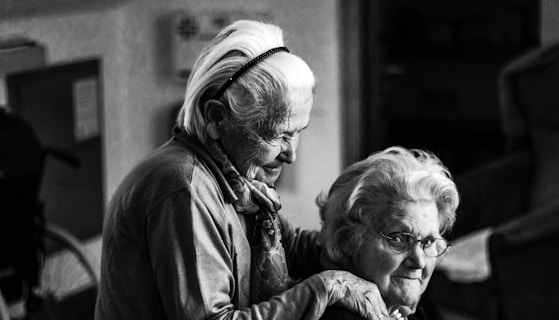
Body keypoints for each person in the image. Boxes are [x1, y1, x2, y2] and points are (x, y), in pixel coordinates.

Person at [95, 20, 395, 320]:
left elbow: (290, 246)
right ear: (216, 118)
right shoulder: (184, 189)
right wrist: (326, 287)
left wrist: (381, 244)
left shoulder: (238, 182)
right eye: (279, 135)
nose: (291, 154)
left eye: (299, 131)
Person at [318, 147, 459, 320]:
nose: (419, 261)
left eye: (428, 241)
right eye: (399, 239)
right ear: (347, 240)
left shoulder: (407, 310)